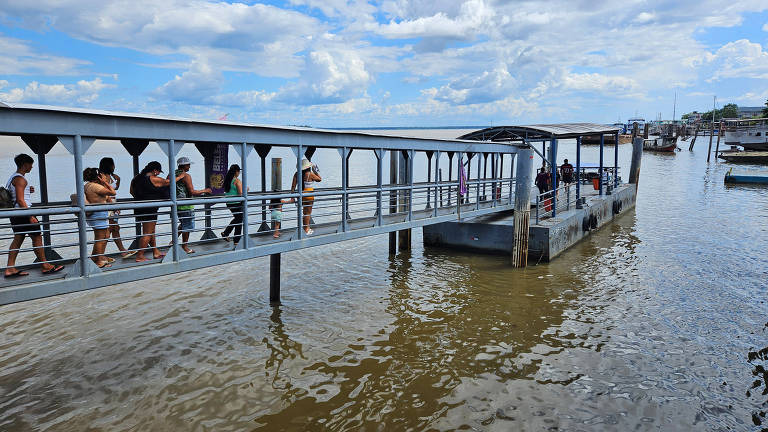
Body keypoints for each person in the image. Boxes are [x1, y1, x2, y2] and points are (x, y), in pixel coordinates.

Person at [4, 153, 64, 277]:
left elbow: (17, 195)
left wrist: (27, 189)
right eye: (31, 165)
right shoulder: (20, 179)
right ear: (25, 164)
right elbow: (20, 200)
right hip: (24, 213)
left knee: (18, 239)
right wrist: (30, 216)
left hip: (15, 214)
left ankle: (10, 268)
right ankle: (45, 266)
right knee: (37, 238)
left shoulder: (13, 178)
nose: (31, 167)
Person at [130, 161, 184, 262]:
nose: (159, 174)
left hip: (139, 208)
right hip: (150, 209)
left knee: (151, 231)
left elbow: (131, 191)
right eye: (158, 172)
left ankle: (155, 252)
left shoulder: (136, 178)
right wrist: (180, 177)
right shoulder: (154, 179)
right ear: (154, 170)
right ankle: (140, 255)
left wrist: (141, 199)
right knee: (147, 233)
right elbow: (168, 182)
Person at [172, 156, 211, 254]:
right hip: (186, 205)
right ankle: (185, 247)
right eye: (188, 164)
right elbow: (192, 192)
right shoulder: (186, 176)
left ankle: (173, 241)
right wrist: (205, 190)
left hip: (176, 204)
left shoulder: (171, 174)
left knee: (183, 223)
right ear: (184, 165)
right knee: (187, 226)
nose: (189, 166)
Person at [98, 157, 135, 258]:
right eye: (113, 164)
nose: (114, 166)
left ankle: (122, 250)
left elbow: (116, 187)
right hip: (107, 204)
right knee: (108, 230)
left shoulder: (111, 176)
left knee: (115, 228)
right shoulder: (102, 177)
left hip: (113, 202)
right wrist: (114, 206)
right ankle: (100, 255)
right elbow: (105, 194)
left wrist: (118, 179)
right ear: (109, 165)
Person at [83, 167, 116, 268]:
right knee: (100, 238)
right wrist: (104, 182)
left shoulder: (88, 185)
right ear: (98, 176)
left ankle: (95, 258)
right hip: (99, 215)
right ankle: (98, 262)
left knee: (103, 236)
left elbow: (104, 197)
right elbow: (113, 192)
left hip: (96, 215)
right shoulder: (95, 186)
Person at [290, 158, 322, 235]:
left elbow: (293, 186)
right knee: (308, 213)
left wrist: (292, 196)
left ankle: (305, 227)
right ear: (308, 166)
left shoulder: (297, 174)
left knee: (304, 212)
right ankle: (306, 229)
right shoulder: (310, 174)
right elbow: (320, 179)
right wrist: (315, 170)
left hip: (301, 195)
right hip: (309, 195)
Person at [220, 164, 244, 244]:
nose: (239, 173)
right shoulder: (237, 180)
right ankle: (236, 240)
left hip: (229, 203)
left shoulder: (228, 179)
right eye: (239, 171)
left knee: (238, 218)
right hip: (236, 203)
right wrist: (246, 190)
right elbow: (240, 194)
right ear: (236, 172)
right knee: (239, 219)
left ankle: (227, 233)